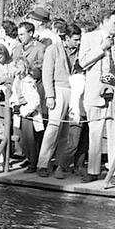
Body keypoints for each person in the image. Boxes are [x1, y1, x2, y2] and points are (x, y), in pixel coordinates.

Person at [37, 21, 84, 179]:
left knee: (65, 131)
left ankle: (59, 164)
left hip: (72, 90)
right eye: (75, 39)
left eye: (79, 39)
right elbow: (46, 74)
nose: (78, 42)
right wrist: (50, 95)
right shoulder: (53, 49)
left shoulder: (78, 52)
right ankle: (42, 163)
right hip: (58, 90)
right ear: (67, 37)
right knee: (53, 127)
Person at [80, 9, 115, 182]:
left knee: (113, 134)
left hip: (112, 92)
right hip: (95, 91)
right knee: (95, 133)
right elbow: (82, 62)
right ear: (104, 21)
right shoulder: (89, 37)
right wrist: (101, 48)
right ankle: (93, 170)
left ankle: (114, 171)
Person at [10, 58, 45, 172]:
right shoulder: (17, 80)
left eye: (20, 67)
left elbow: (35, 101)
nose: (17, 69)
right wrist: (14, 104)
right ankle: (28, 158)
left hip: (28, 114)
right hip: (19, 111)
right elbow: (14, 95)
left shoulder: (29, 81)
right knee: (20, 139)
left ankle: (33, 163)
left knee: (30, 140)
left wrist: (25, 110)